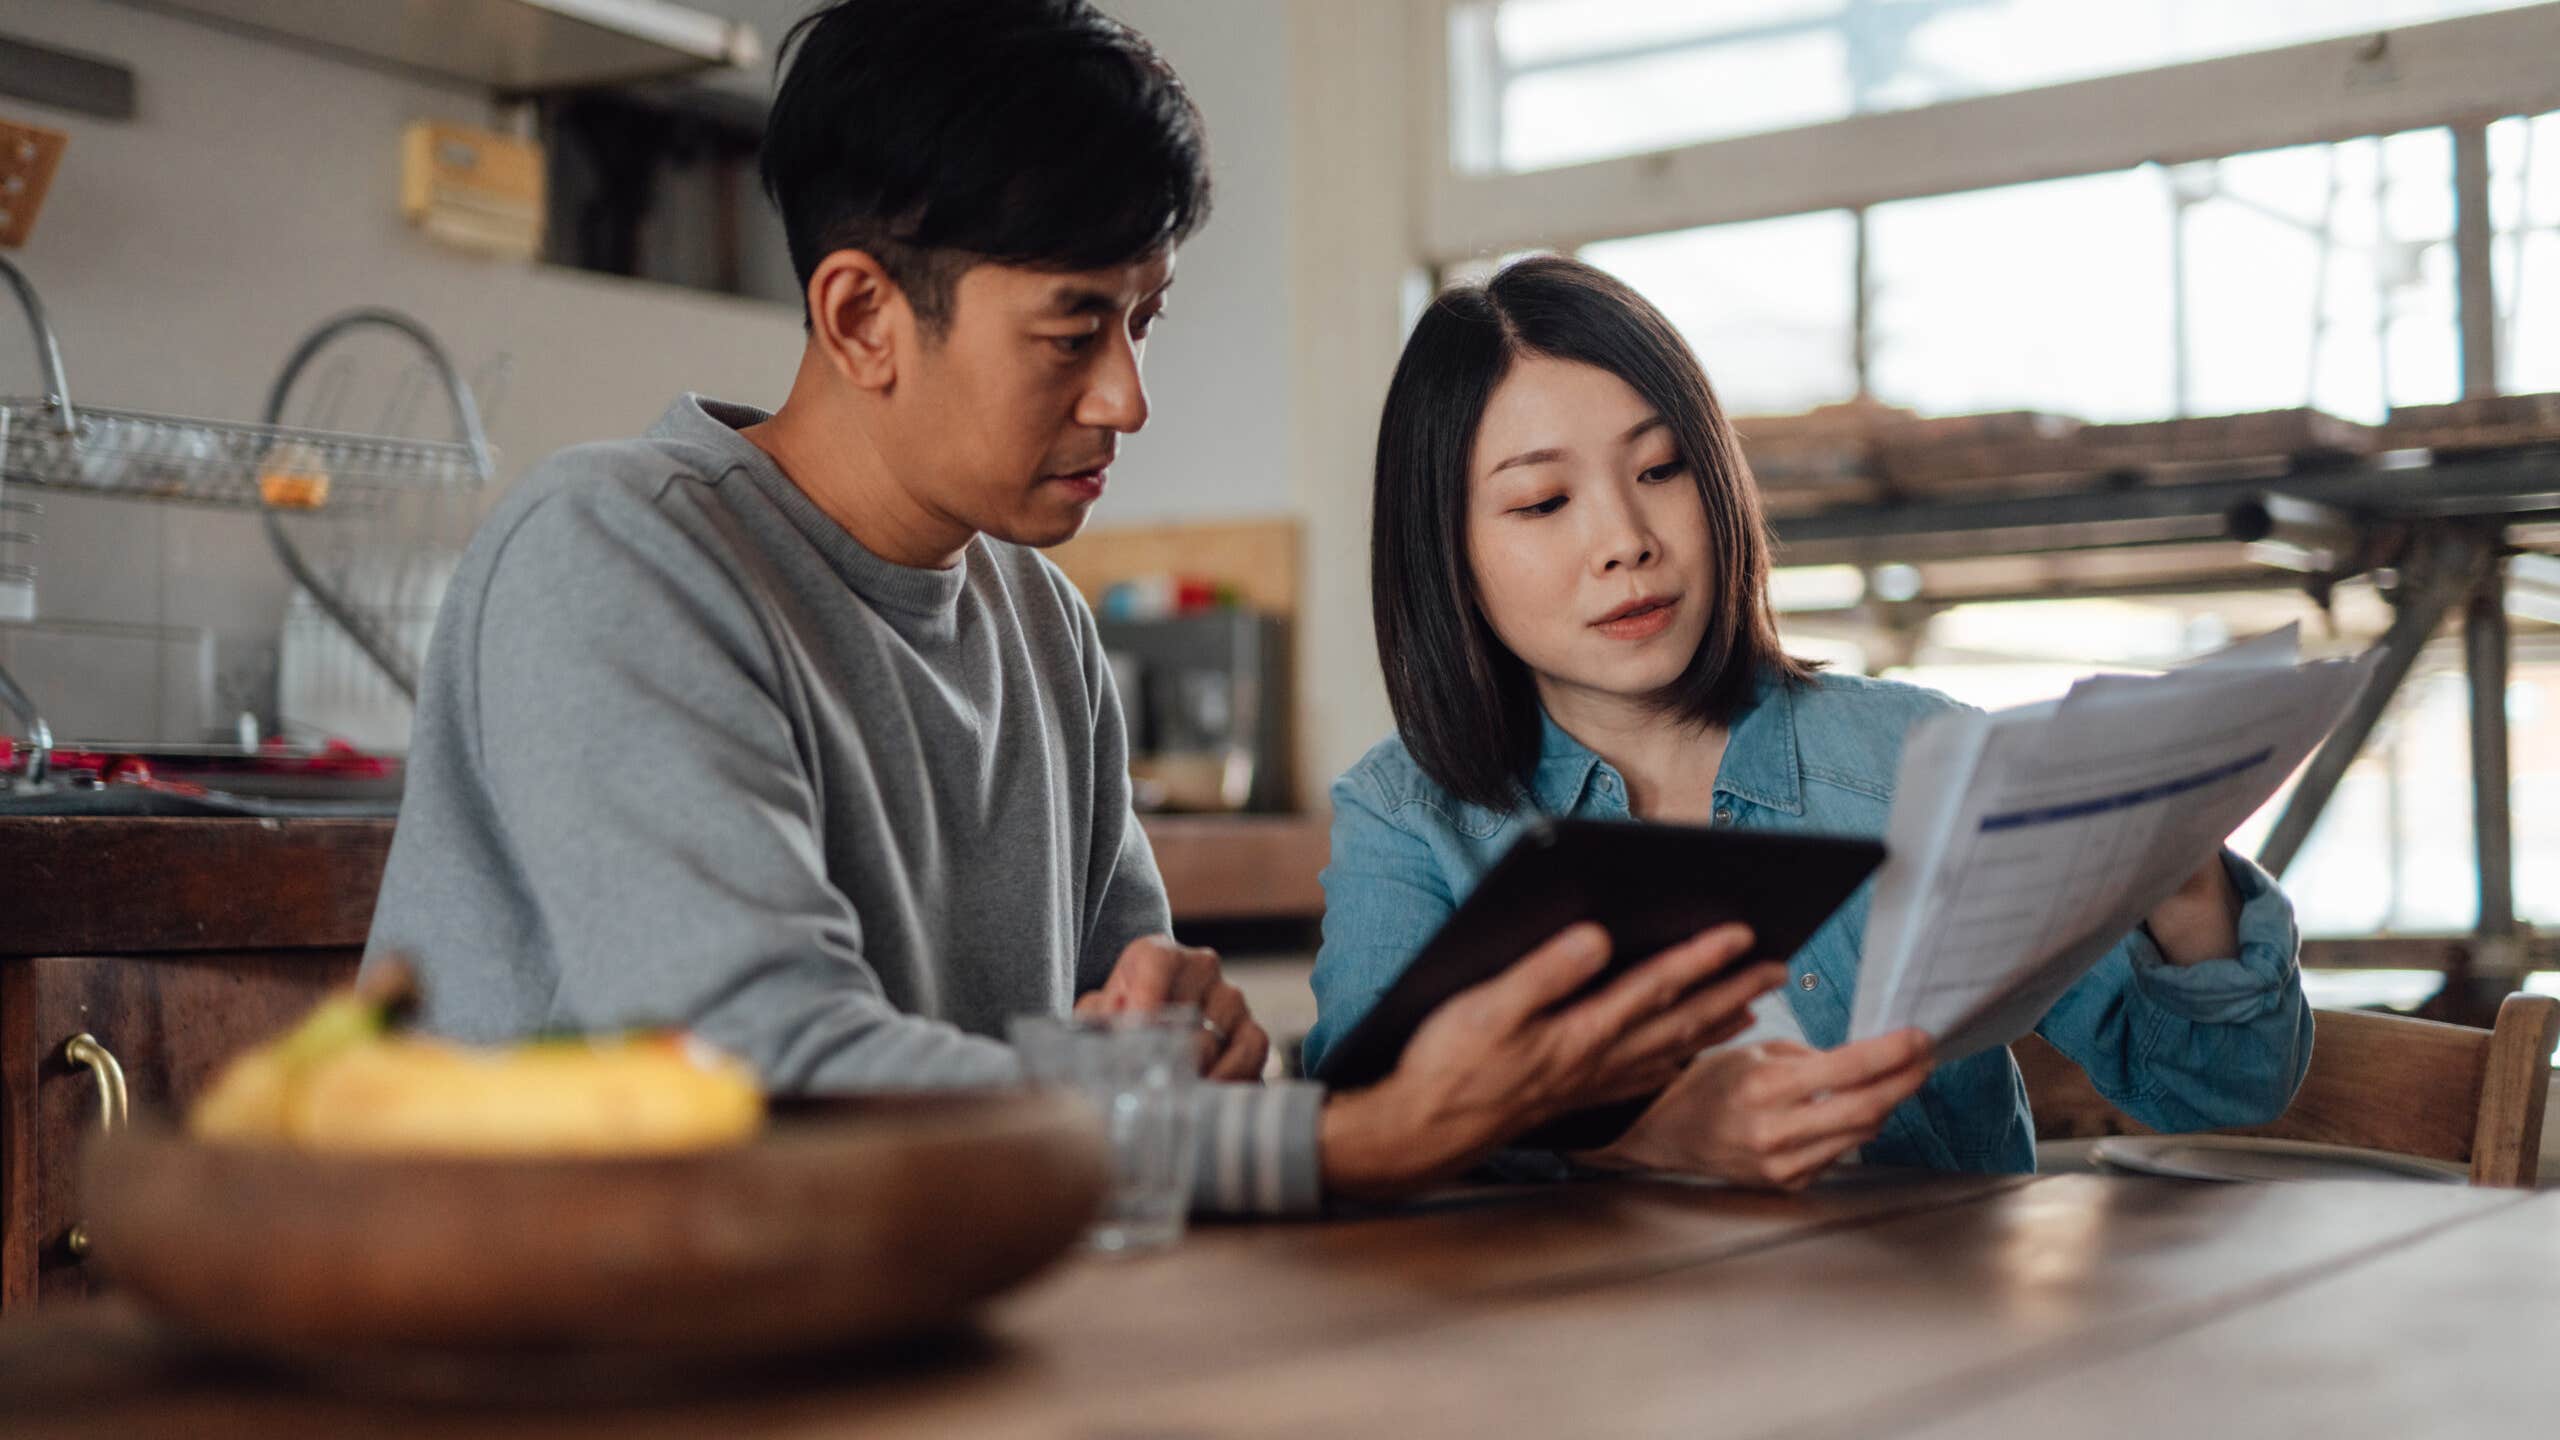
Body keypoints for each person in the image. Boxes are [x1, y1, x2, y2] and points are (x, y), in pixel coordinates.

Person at [365, 1, 1775, 1214]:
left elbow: (1131, 1042)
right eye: (1072, 329)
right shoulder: (614, 549)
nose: (1127, 398)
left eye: (1142, 321)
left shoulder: (1040, 622)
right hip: (572, 1348)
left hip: (910, 1319)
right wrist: (1348, 1139)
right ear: (861, 318)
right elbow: (764, 1072)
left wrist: (1191, 1037)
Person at [1308, 255, 2314, 1188]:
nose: (1625, 540)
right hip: (1583, 1327)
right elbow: (1365, 1153)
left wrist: (2183, 880)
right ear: (1445, 552)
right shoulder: (1409, 820)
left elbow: (2219, 1089)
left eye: (1661, 469)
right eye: (1541, 502)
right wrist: (1645, 1137)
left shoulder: (1918, 763)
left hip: (1936, 1310)